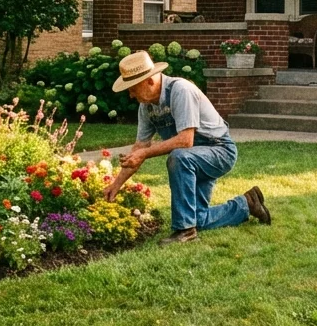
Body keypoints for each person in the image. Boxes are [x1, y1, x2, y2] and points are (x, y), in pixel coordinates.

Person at [103, 51, 271, 244]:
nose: (131, 95)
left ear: (149, 80)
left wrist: (145, 153)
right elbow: (139, 148)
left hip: (219, 151)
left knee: (179, 157)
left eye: (132, 88)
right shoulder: (147, 107)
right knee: (197, 217)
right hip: (194, 158)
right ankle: (247, 204)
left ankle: (185, 231)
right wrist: (115, 185)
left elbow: (185, 141)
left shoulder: (180, 90)